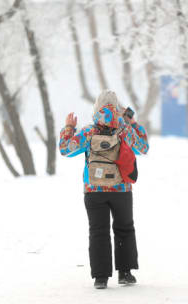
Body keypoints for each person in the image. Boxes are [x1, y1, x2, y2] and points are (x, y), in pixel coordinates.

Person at [59, 90, 149, 289]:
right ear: (117, 108)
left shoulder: (89, 131)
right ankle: (125, 273)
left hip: (94, 189)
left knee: (98, 231)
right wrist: (132, 122)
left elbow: (65, 149)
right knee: (124, 228)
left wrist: (69, 128)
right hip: (121, 190)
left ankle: (101, 278)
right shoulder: (124, 131)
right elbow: (143, 148)